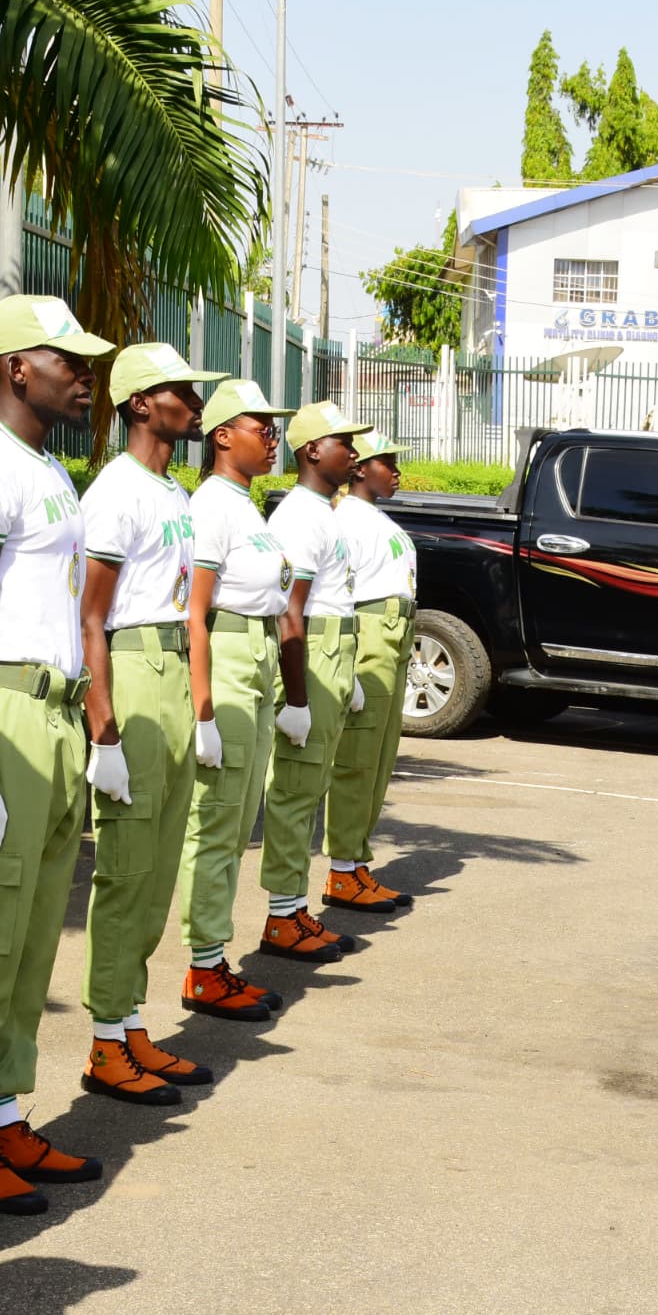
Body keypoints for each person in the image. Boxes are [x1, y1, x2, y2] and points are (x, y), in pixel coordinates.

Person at [0, 295, 120, 1205]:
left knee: (34, 931)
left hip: (51, 713)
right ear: (14, 369)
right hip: (0, 712)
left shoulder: (43, 467)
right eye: (66, 360)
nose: (84, 376)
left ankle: (4, 1116)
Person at [78, 341, 227, 1103]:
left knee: (160, 865)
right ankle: (106, 1041)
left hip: (170, 666)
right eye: (180, 392)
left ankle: (130, 1022)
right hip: (133, 669)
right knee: (128, 868)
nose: (196, 406)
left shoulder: (171, 492)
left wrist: (197, 711)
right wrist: (103, 729)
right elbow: (90, 618)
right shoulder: (117, 491)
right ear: (140, 403)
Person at [178, 376, 299, 1021]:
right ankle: (204, 966)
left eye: (276, 429)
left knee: (240, 811)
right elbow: (195, 614)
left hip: (254, 655)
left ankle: (213, 959)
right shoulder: (211, 508)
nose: (274, 438)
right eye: (262, 427)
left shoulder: (247, 506)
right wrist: (202, 711)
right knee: (218, 818)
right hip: (225, 656)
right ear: (222, 436)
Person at [257, 401, 372, 960]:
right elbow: (290, 610)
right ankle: (282, 916)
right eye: (342, 441)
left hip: (333, 652)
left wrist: (343, 674)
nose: (353, 451)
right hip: (313, 653)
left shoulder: (325, 511)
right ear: (311, 451)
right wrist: (297, 697)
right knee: (296, 789)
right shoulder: (301, 516)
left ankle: (294, 908)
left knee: (313, 784)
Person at [323, 427, 418, 914]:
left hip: (395, 634)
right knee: (358, 757)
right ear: (360, 468)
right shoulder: (347, 520)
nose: (397, 472)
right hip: (369, 631)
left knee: (380, 755)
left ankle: (356, 861)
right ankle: (342, 871)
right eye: (389, 463)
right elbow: (340, 590)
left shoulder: (373, 517)